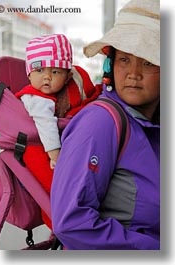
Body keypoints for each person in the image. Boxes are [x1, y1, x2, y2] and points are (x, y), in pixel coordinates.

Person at [51, 0, 160, 250]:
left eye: (148, 61)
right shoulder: (100, 122)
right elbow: (71, 223)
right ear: (111, 64)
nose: (133, 73)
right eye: (124, 59)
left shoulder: (154, 124)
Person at [15, 34, 102, 229]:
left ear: (67, 76)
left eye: (55, 71)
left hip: (51, 144)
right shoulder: (36, 98)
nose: (47, 76)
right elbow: (46, 126)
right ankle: (58, 223)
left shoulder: (62, 90)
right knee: (53, 189)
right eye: (39, 70)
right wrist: (56, 155)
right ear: (29, 74)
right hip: (39, 149)